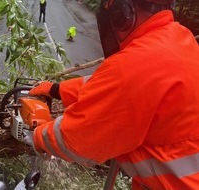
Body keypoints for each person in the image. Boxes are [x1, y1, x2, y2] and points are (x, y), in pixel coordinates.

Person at [24, 0, 199, 189]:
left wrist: (36, 135)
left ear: (122, 13)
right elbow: (111, 85)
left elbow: (77, 139)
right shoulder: (179, 38)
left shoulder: (134, 66)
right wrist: (57, 89)